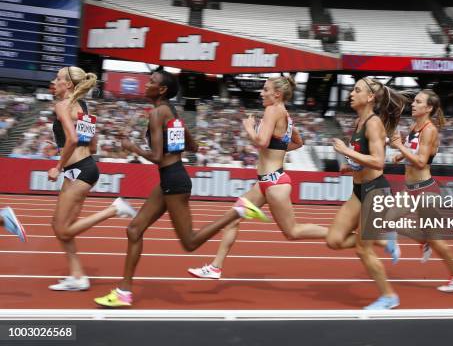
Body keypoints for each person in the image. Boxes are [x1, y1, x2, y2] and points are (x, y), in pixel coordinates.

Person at [95, 70, 267, 307]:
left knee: (190, 243)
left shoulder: (157, 113)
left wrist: (132, 147)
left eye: (151, 82)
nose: (146, 85)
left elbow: (157, 156)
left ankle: (237, 211)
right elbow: (194, 146)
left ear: (162, 90)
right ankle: (124, 292)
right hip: (171, 179)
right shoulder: (172, 113)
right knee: (134, 230)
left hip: (173, 181)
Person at [187, 76, 328, 280]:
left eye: (265, 89)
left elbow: (261, 141)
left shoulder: (272, 110)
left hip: (274, 183)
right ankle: (215, 267)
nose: (261, 93)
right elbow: (298, 142)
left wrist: (249, 128)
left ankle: (337, 234)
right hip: (265, 183)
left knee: (293, 232)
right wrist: (276, 149)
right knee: (233, 218)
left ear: (277, 94)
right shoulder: (286, 115)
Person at [48, 66, 136, 292]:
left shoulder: (62, 106)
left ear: (68, 85)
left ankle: (114, 209)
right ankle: (78, 277)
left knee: (63, 229)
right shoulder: (83, 107)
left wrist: (58, 166)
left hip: (78, 170)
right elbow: (93, 143)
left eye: (58, 78)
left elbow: (72, 139)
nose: (54, 81)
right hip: (83, 168)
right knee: (61, 226)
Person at [327, 77, 408, 310]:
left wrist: (345, 151)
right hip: (358, 190)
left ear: (370, 97)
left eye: (357, 90)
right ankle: (385, 240)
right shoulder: (358, 122)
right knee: (334, 240)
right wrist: (350, 165)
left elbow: (378, 161)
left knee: (363, 248)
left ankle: (389, 296)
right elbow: (363, 159)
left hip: (376, 191)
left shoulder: (373, 123)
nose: (351, 93)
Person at [390, 90, 453, 293]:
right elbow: (412, 151)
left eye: (418, 102)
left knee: (435, 239)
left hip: (425, 190)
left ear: (429, 108)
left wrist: (399, 146)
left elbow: (422, 161)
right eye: (414, 101)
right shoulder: (414, 126)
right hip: (410, 188)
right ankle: (422, 239)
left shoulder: (429, 130)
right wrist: (399, 155)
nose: (413, 104)